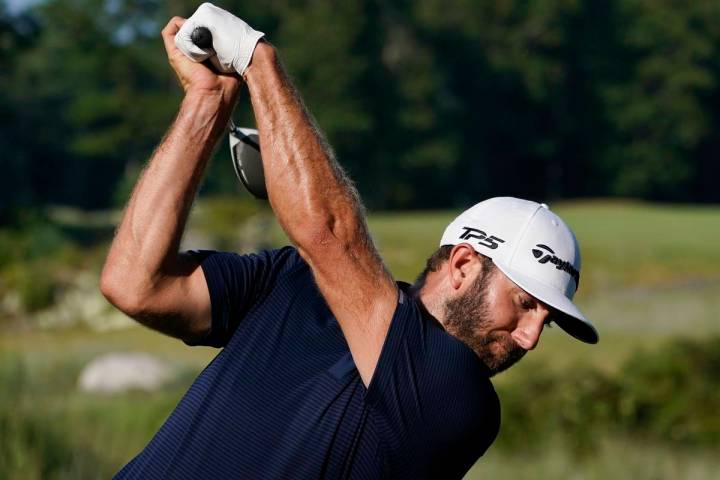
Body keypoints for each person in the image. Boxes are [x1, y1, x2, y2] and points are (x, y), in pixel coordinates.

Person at [100, 4, 598, 479]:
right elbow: (136, 284)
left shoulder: (460, 402)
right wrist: (206, 106)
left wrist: (258, 58)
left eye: (545, 322)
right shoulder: (293, 279)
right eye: (525, 304)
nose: (530, 338)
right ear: (464, 264)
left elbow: (330, 236)